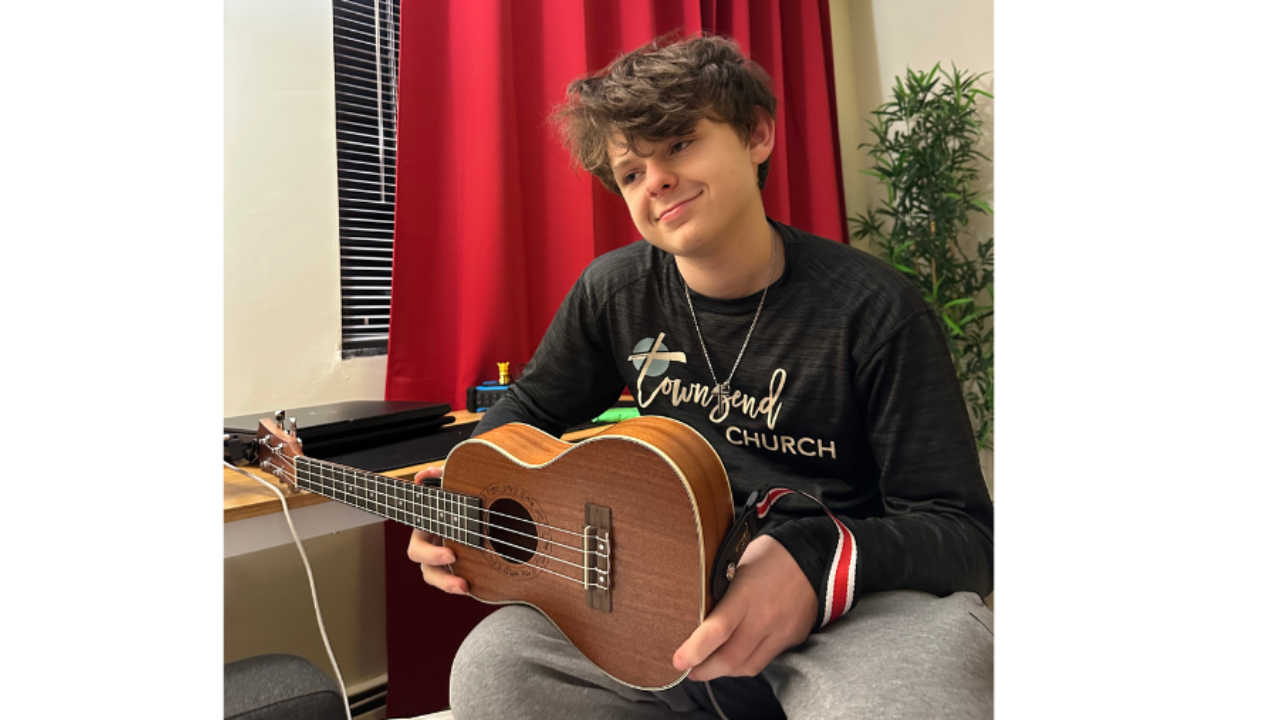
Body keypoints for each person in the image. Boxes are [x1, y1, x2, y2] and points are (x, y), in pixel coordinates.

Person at [407, 33, 994, 719]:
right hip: (654, 603)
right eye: (631, 172)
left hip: (847, 608)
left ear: (757, 135)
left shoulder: (876, 309)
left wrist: (816, 561)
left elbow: (964, 535)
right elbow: (529, 410)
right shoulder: (614, 291)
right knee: (495, 668)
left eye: (680, 144)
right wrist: (465, 492)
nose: (654, 180)